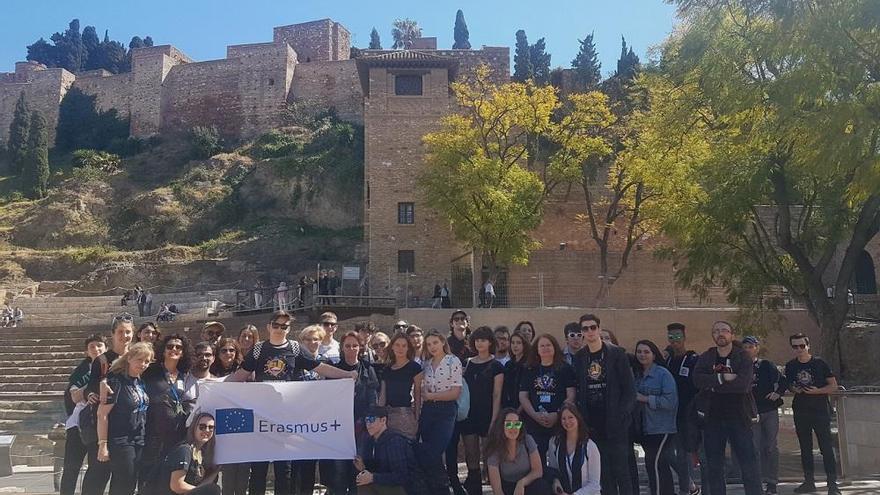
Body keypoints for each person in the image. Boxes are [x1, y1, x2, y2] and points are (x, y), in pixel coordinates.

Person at [226, 310, 356, 495]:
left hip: (286, 418)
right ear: (269, 327)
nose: (280, 329)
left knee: (284, 469)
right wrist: (214, 386)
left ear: (289, 329)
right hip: (262, 417)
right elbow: (240, 375)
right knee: (259, 468)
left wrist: (346, 375)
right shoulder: (259, 349)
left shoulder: (295, 348)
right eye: (276, 325)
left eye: (284, 326)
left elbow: (320, 368)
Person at [692, 320, 762, 495]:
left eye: (724, 330)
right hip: (713, 418)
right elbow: (697, 379)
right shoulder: (707, 356)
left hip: (739, 417)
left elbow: (743, 384)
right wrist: (723, 379)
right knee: (714, 465)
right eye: (716, 331)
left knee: (748, 463)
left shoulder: (742, 356)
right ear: (713, 336)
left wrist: (713, 384)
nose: (720, 333)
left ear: (732, 334)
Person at [572, 313, 635, 495]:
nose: (590, 331)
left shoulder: (617, 354)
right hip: (592, 424)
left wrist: (622, 415)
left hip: (616, 423)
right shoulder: (580, 357)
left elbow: (629, 390)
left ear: (599, 329)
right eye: (585, 328)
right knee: (603, 474)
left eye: (593, 327)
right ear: (582, 332)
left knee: (622, 472)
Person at [82, 314, 135, 495]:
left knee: (124, 482)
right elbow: (90, 387)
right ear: (113, 334)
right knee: (97, 476)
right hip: (103, 426)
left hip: (129, 428)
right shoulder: (102, 360)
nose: (124, 336)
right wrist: (91, 394)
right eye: (120, 332)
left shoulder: (138, 357)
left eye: (128, 332)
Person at [141, 334, 198, 495]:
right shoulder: (151, 371)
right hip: (152, 437)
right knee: (147, 483)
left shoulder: (185, 376)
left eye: (178, 347)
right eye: (170, 346)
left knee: (166, 484)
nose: (174, 349)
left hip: (176, 438)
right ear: (163, 350)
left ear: (183, 352)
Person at [784, 333, 840, 495]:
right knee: (805, 448)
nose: (799, 349)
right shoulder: (791, 366)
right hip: (801, 410)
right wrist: (795, 389)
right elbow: (790, 385)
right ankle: (809, 482)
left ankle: (832, 485)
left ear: (808, 345)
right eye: (795, 346)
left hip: (820, 410)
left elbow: (833, 385)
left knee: (826, 448)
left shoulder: (819, 363)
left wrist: (818, 391)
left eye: (802, 346)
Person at [96, 342, 154, 495]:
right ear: (129, 358)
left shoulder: (140, 382)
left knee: (128, 484)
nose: (143, 364)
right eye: (139, 360)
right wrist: (103, 444)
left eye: (147, 361)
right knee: (124, 484)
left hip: (138, 439)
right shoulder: (116, 381)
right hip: (121, 440)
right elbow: (102, 414)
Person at [460, 326, 505, 495]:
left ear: (490, 342)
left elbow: (496, 395)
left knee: (490, 456)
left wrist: (494, 420)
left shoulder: (497, 366)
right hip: (469, 415)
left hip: (488, 415)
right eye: (477, 340)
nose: (480, 343)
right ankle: (474, 489)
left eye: (483, 340)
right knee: (471, 454)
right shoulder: (468, 363)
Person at [333, 331, 380, 494]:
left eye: (355, 345)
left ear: (360, 348)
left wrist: (368, 424)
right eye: (348, 346)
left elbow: (372, 399)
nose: (351, 348)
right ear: (342, 348)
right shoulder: (334, 370)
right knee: (339, 471)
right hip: (339, 428)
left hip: (361, 428)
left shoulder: (367, 369)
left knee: (358, 467)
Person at [519, 333, 576, 462]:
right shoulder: (529, 369)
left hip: (559, 422)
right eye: (542, 346)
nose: (545, 348)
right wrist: (535, 415)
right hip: (534, 422)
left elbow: (571, 395)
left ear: (555, 347)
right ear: (537, 350)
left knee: (559, 458)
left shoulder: (565, 369)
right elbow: (523, 396)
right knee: (538, 459)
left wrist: (557, 414)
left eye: (548, 345)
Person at [61, 334, 107, 495]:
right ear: (87, 352)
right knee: (71, 467)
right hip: (78, 424)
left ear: (105, 348)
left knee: (96, 469)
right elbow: (74, 396)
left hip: (100, 424)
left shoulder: (111, 366)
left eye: (99, 345)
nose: (96, 349)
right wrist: (89, 391)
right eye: (92, 347)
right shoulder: (82, 369)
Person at [418, 330, 463, 493]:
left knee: (435, 449)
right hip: (428, 410)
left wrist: (431, 396)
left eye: (435, 342)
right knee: (429, 452)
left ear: (443, 342)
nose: (432, 347)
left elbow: (455, 392)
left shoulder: (453, 361)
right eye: (429, 344)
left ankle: (443, 487)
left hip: (446, 411)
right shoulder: (427, 364)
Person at [661, 323, 701, 495]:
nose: (674, 340)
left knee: (684, 454)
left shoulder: (692, 360)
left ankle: (686, 490)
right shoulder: (667, 360)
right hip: (668, 414)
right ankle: (691, 484)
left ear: (684, 337)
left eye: (677, 336)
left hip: (686, 415)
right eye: (671, 337)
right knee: (666, 453)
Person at [741, 336, 784, 495]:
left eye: (750, 346)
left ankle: (772, 482)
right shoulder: (740, 367)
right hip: (751, 412)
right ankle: (756, 482)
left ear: (756, 348)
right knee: (754, 448)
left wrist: (777, 393)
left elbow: (783, 381)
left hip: (769, 410)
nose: (747, 350)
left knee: (771, 447)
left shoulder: (766, 365)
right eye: (744, 347)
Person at [634, 340, 678, 495]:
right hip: (645, 428)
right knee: (658, 465)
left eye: (646, 352)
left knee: (654, 463)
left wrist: (644, 398)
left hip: (662, 427)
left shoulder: (662, 374)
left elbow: (670, 402)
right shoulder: (637, 375)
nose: (642, 355)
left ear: (654, 354)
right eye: (639, 351)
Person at [294, 324, 332, 494]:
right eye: (307, 339)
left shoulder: (327, 362)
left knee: (317, 463)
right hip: (299, 419)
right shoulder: (295, 363)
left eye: (315, 339)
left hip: (321, 420)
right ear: (301, 342)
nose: (311, 342)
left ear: (321, 341)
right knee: (299, 465)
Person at [484, 408, 552, 495]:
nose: (513, 428)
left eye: (516, 424)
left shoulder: (528, 440)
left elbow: (538, 471)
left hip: (527, 485)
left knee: (542, 486)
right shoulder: (494, 448)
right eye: (508, 424)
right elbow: (497, 490)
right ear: (501, 426)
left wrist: (521, 483)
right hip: (507, 489)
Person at [355, 406, 418, 495]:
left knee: (366, 483)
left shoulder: (394, 441)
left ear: (383, 420)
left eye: (372, 419)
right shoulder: (370, 441)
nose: (368, 424)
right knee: (362, 482)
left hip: (403, 488)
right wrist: (363, 467)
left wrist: (373, 478)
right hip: (384, 485)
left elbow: (402, 476)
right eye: (366, 420)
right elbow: (378, 470)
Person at [159, 412, 221, 495]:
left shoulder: (201, 453)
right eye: (202, 427)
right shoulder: (184, 450)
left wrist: (216, 471)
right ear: (194, 428)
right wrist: (202, 491)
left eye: (211, 428)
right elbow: (177, 485)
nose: (207, 430)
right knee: (213, 490)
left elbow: (203, 486)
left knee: (213, 488)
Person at [546, 404, 601, 495]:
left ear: (578, 418)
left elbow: (594, 485)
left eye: (571, 417)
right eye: (563, 418)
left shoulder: (590, 446)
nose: (567, 421)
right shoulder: (554, 443)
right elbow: (553, 470)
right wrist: (556, 482)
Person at [378, 332, 422, 439]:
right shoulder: (386, 369)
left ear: (408, 348)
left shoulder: (414, 367)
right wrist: (379, 414)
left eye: (404, 345)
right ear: (392, 346)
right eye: (397, 345)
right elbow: (383, 396)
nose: (400, 348)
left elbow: (417, 394)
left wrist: (416, 417)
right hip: (388, 415)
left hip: (405, 414)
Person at [501, 332, 530, 409]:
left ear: (524, 345)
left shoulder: (529, 366)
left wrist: (518, 411)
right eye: (513, 343)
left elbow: (529, 393)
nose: (515, 346)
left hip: (524, 409)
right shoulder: (508, 365)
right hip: (508, 408)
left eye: (518, 343)